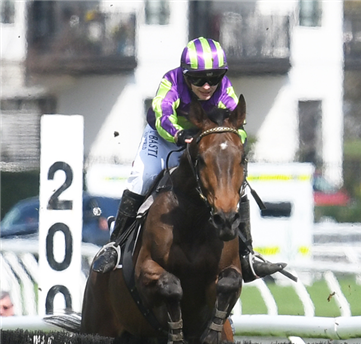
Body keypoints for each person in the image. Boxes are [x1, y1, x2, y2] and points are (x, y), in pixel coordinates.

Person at [91, 37, 285, 282]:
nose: (206, 86)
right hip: (165, 136)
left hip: (203, 140)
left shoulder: (225, 88)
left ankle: (247, 256)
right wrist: (180, 134)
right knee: (144, 176)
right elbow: (162, 115)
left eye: (213, 78)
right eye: (198, 79)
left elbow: (238, 127)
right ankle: (115, 245)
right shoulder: (171, 80)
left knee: (237, 187)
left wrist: (233, 142)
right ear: (185, 76)